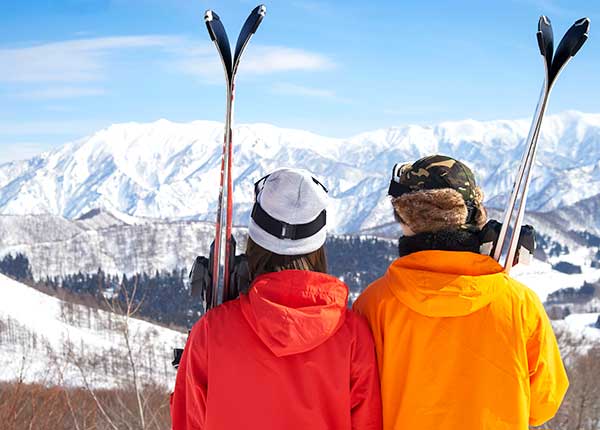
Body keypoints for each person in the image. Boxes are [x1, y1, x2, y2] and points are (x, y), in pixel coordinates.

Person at [353, 155, 568, 430]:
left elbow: (360, 407)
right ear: (475, 215)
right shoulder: (520, 304)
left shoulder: (373, 305)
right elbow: (544, 402)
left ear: (406, 219)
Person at [171, 167, 382, 430]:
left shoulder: (211, 332)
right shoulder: (353, 337)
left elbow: (188, 421)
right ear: (318, 246)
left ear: (255, 241)